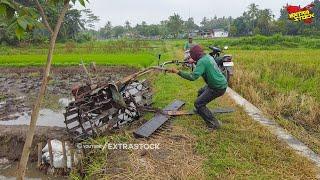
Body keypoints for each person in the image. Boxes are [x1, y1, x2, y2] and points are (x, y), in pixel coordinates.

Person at [168, 45, 228, 129]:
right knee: (200, 92)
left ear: (195, 54)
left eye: (192, 55)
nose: (191, 56)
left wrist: (178, 72)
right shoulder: (207, 57)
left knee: (198, 103)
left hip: (217, 87)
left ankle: (214, 124)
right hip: (219, 83)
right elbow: (203, 63)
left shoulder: (202, 62)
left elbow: (193, 77)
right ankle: (200, 111)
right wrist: (195, 61)